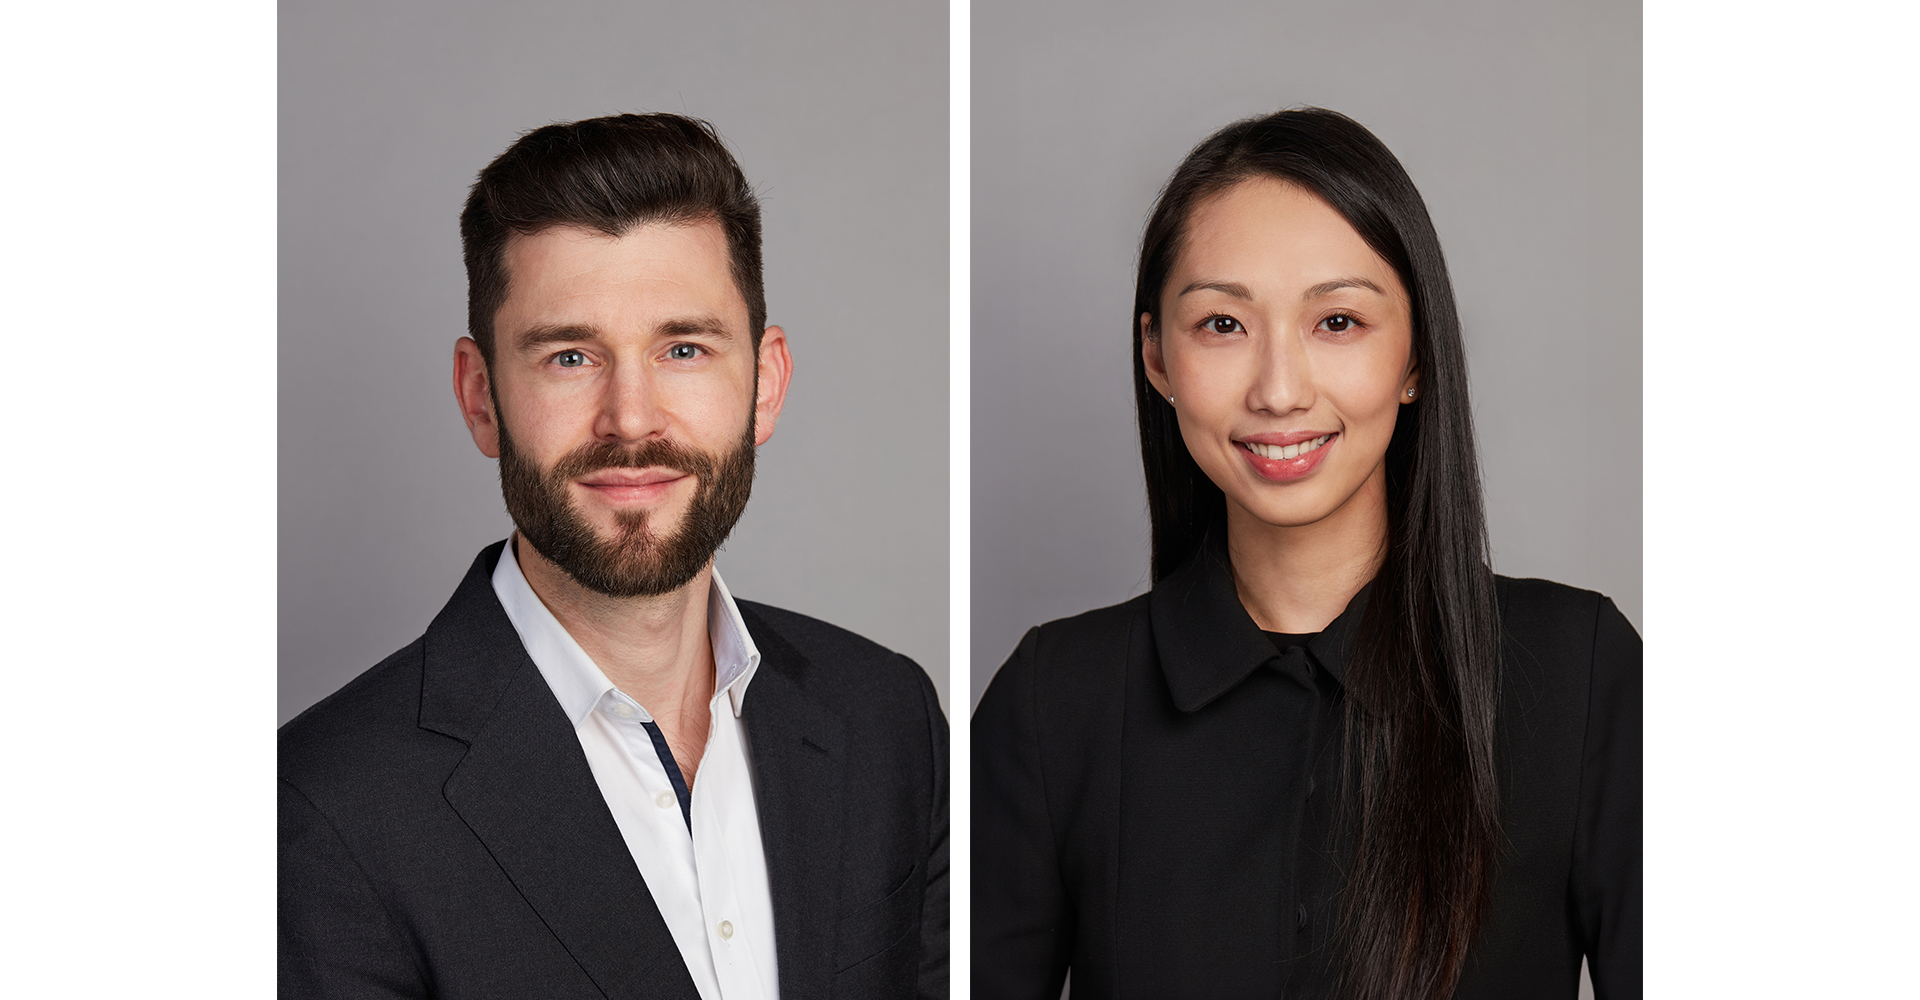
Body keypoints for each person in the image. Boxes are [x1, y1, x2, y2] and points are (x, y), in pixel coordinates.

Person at [971, 108, 1640, 1000]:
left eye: (1337, 322)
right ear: (1156, 357)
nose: (1280, 390)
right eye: (1221, 325)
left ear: (1416, 358)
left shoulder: (1579, 673)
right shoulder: (1055, 704)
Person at [280, 113, 948, 1000]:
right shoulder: (322, 811)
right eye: (569, 356)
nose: (631, 419)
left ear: (766, 383)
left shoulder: (887, 717)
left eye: (683, 349)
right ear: (482, 399)